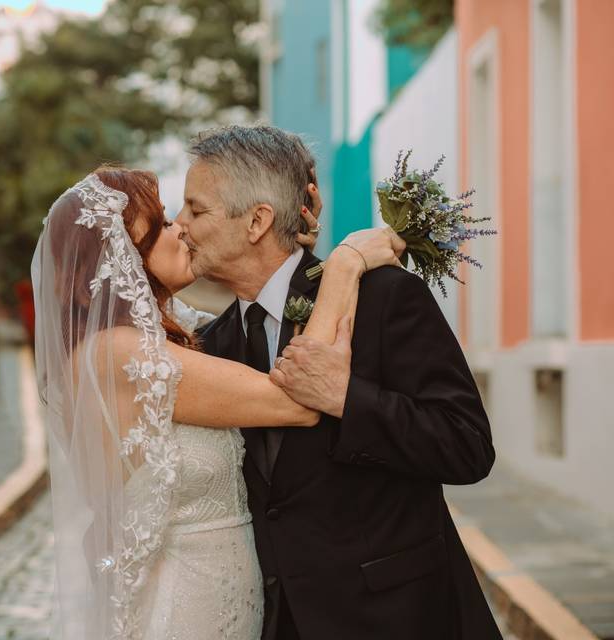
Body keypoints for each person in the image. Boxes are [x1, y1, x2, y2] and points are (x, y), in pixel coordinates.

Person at [31, 165, 402, 639]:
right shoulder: (118, 354)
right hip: (183, 612)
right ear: (122, 255)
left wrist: (290, 249)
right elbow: (299, 399)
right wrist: (345, 267)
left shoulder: (173, 336)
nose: (181, 228)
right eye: (163, 223)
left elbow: (262, 316)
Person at [176, 125, 501, 639]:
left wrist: (346, 399)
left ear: (257, 221)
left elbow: (467, 446)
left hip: (399, 619)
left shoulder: (384, 297)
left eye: (196, 210)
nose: (181, 226)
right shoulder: (210, 346)